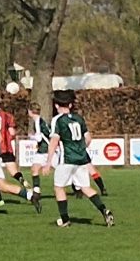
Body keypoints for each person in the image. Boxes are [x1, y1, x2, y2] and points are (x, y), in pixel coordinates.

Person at [49, 92, 115, 227]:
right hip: (81, 159)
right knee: (85, 188)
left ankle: (65, 219)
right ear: (70, 105)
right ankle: (104, 210)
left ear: (56, 106)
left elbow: (54, 140)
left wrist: (48, 161)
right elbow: (88, 139)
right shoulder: (79, 118)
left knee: (59, 188)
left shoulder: (58, 120)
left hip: (66, 159)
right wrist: (79, 149)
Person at [0, 99, 26, 203]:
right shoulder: (8, 116)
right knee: (15, 173)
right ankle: (28, 188)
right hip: (6, 148)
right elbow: (12, 132)